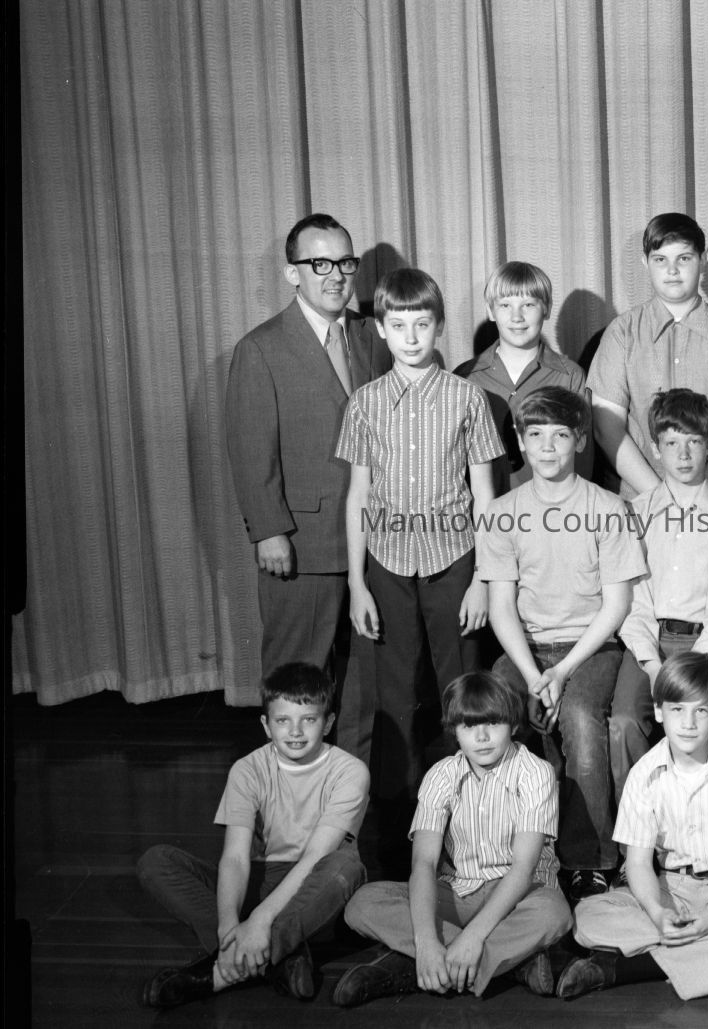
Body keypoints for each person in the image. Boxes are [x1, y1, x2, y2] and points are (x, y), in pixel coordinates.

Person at [224, 213, 390, 759]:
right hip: (303, 543)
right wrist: (269, 531)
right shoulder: (262, 348)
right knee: (298, 679)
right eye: (320, 263)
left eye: (345, 262)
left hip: (374, 540)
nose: (336, 275)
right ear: (293, 273)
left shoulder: (372, 336)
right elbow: (251, 448)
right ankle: (290, 788)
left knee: (364, 681)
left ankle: (352, 790)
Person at [338, 267, 503, 810]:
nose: (411, 337)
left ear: (439, 327)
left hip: (454, 561)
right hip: (386, 564)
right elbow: (359, 496)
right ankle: (397, 825)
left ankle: (476, 812)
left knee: (463, 689)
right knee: (395, 695)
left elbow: (485, 497)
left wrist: (482, 579)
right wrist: (358, 584)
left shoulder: (468, 399)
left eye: (422, 324)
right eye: (398, 325)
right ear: (381, 329)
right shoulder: (364, 403)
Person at [481, 386, 647, 902]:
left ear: (579, 440)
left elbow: (616, 606)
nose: (548, 447)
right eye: (536, 435)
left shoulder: (608, 508)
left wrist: (561, 672)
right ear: (520, 442)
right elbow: (501, 607)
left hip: (591, 648)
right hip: (527, 649)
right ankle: (500, 850)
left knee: (578, 717)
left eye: (560, 435)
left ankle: (588, 859)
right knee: (494, 709)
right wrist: (535, 675)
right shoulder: (503, 512)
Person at [136, 663, 369, 1008]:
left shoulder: (350, 771)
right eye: (282, 720)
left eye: (308, 719)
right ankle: (278, 956)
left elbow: (315, 858)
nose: (295, 731)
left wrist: (260, 920)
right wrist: (228, 926)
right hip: (259, 882)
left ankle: (219, 972)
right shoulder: (246, 770)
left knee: (345, 868)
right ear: (265, 724)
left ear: (328, 723)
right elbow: (234, 858)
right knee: (156, 862)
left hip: (312, 890)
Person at [335, 672, 572, 1006]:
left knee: (555, 914)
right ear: (454, 730)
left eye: (493, 723)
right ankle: (504, 963)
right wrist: (426, 941)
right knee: (362, 903)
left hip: (519, 896)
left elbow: (523, 869)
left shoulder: (535, 773)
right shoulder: (442, 775)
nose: (482, 736)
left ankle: (419, 967)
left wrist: (472, 937)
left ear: (514, 725)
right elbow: (424, 863)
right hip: (459, 892)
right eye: (469, 726)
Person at [561, 653, 708, 1001]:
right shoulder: (644, 773)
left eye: (701, 710)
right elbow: (637, 863)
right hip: (671, 888)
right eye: (677, 709)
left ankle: (621, 970)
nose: (688, 723)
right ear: (659, 711)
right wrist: (657, 912)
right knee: (587, 916)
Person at [613, 388, 708, 788]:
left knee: (700, 728)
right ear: (656, 449)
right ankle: (641, 816)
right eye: (671, 443)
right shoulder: (635, 515)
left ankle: (702, 816)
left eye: (694, 442)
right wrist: (653, 666)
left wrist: (698, 659)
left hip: (707, 646)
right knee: (623, 722)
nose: (683, 455)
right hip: (648, 643)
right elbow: (631, 601)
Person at [587, 211, 708, 500]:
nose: (672, 270)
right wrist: (661, 497)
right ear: (645, 262)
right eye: (660, 259)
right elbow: (607, 427)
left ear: (703, 260)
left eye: (683, 258)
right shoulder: (622, 333)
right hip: (640, 502)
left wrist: (696, 493)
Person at [455, 261, 588, 493]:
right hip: (486, 508)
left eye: (528, 305)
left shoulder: (570, 377)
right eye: (505, 305)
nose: (517, 317)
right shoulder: (465, 378)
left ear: (546, 308)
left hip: (553, 508)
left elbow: (584, 462)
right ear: (490, 311)